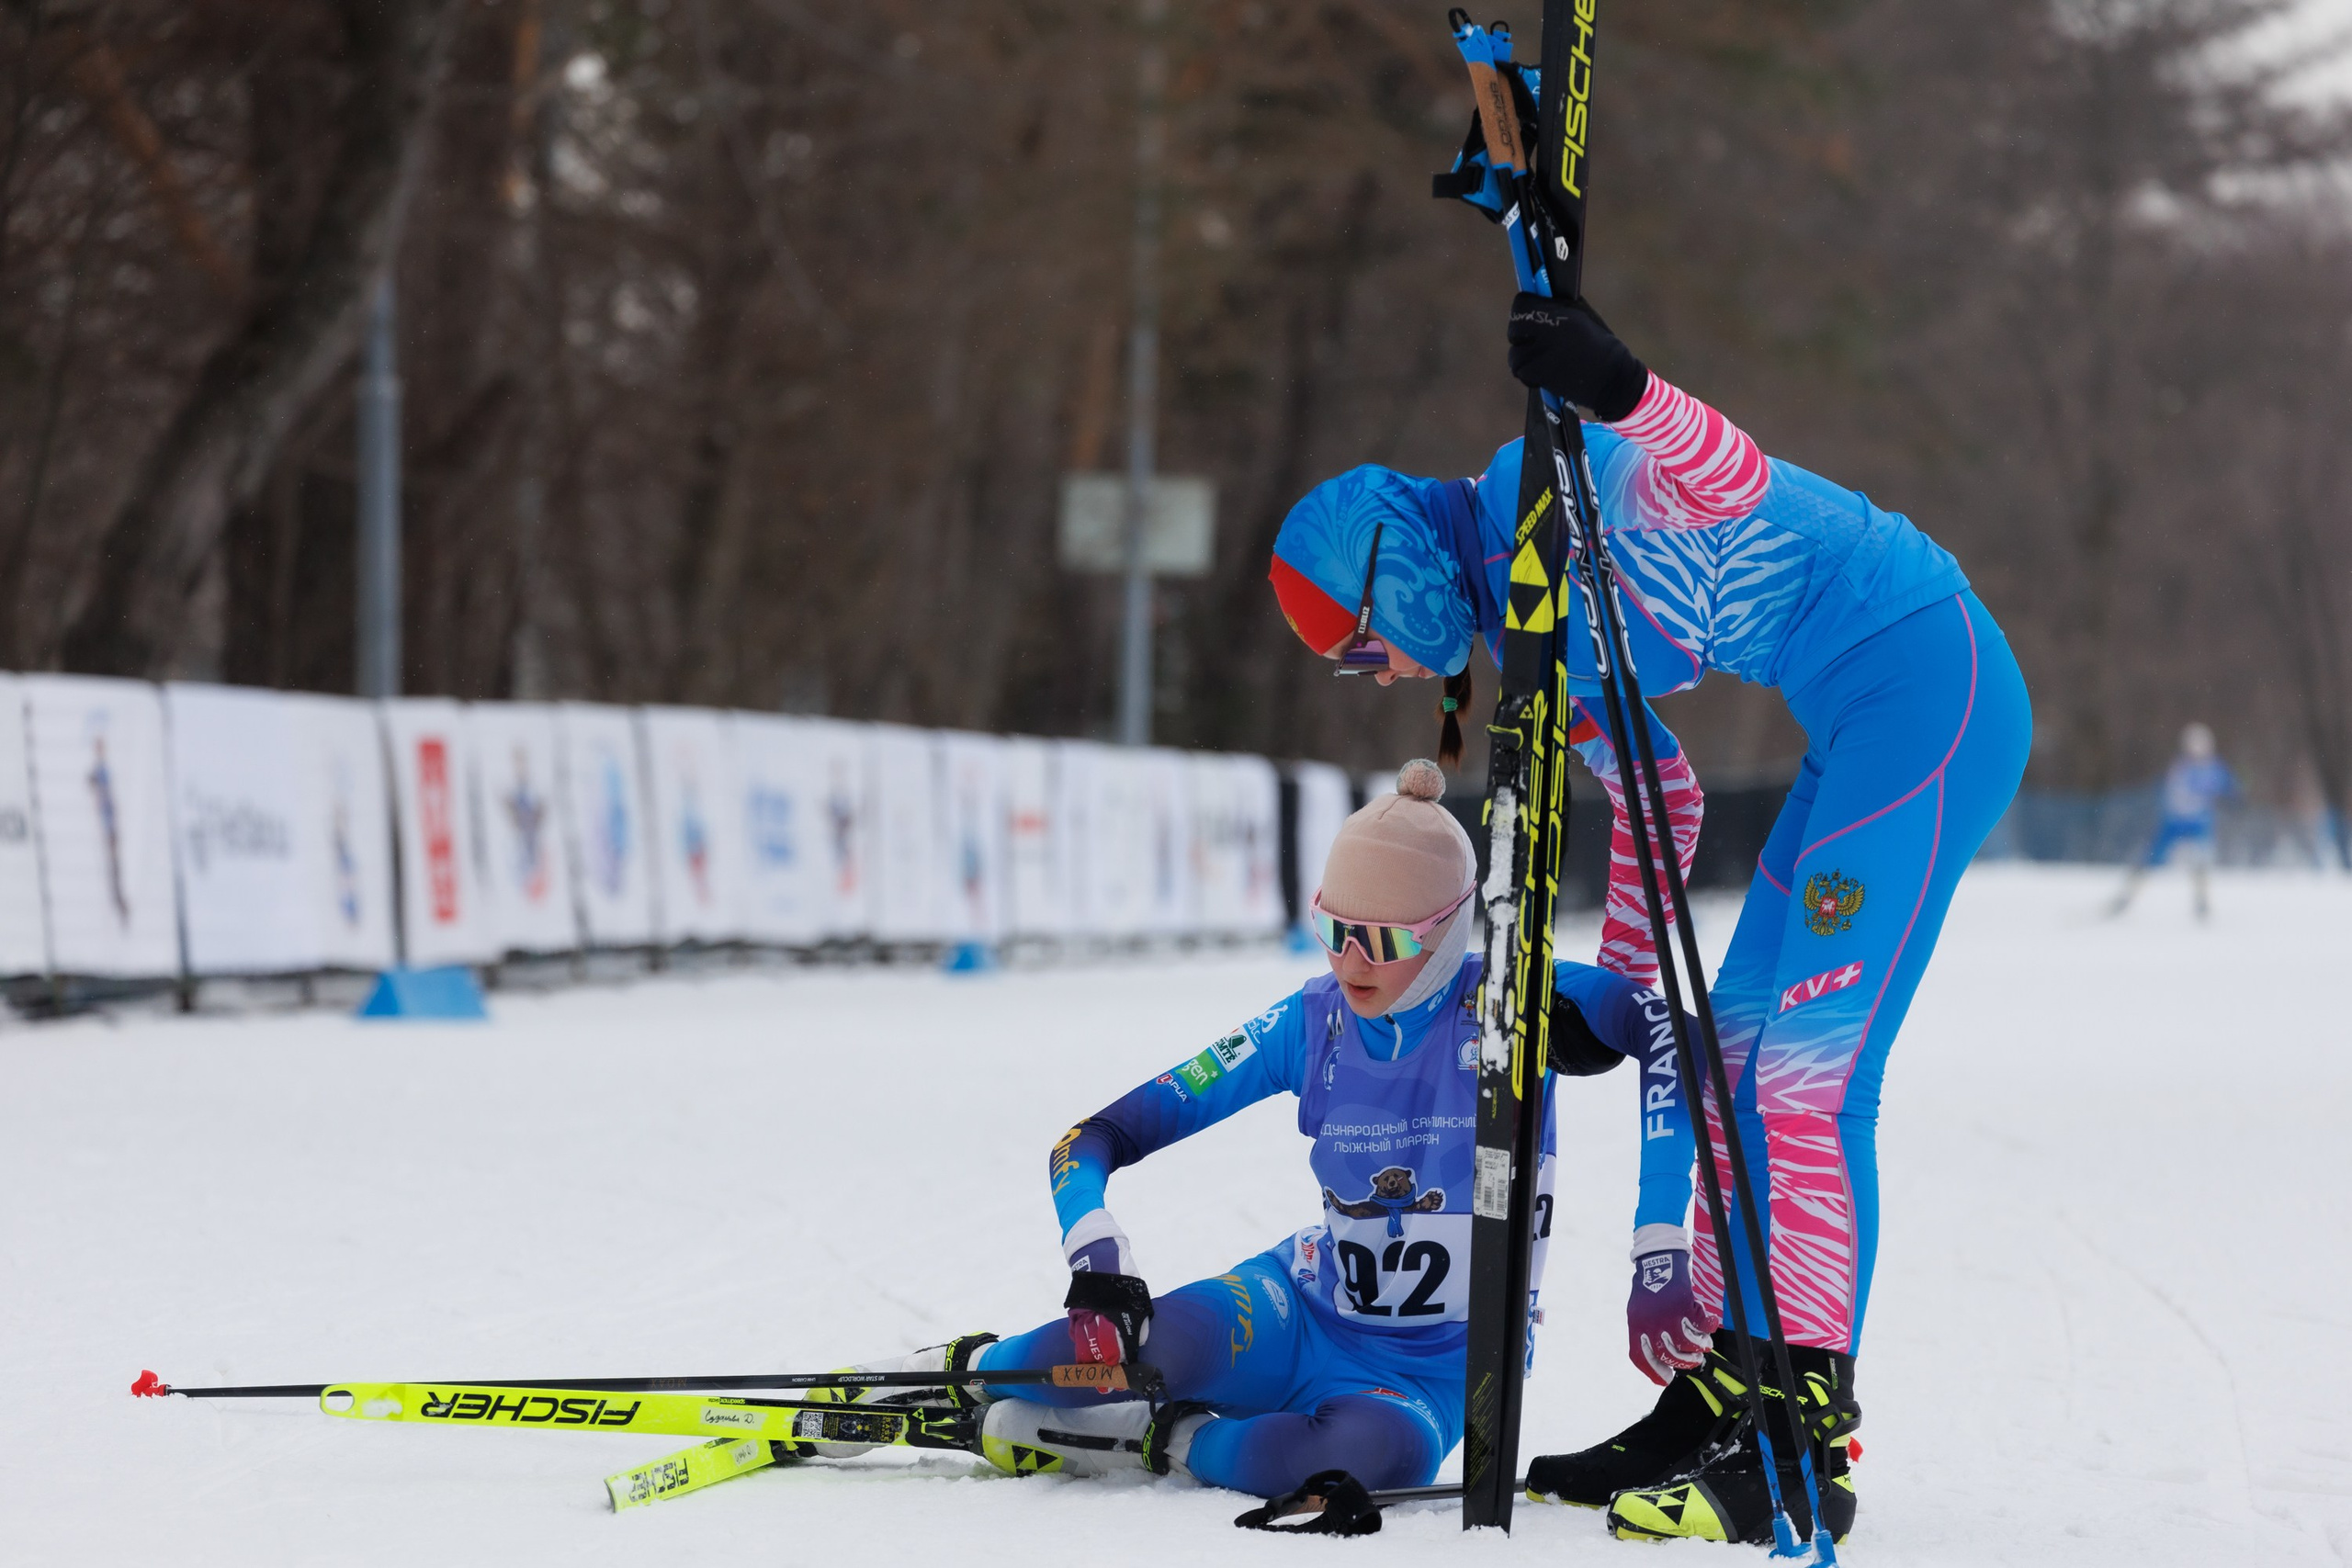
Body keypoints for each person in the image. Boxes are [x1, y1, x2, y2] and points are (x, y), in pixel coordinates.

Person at [1263, 295, 2034, 1543]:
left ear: (1392, 576)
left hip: (1929, 685)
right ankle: (1734, 1375)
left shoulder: (1551, 478)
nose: (1383, 676)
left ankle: (1802, 1431)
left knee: (1803, 1078)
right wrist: (1607, 995)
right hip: (1854, 726)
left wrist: (1621, 388)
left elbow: (1732, 475)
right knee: (1735, 1048)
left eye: (1361, 647)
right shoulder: (1532, 634)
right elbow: (1660, 802)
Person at [809, 761, 1695, 1507]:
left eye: (1381, 939)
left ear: (1447, 931)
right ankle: (953, 1372)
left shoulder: (1510, 1000)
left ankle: (1163, 1434)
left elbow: (1669, 1033)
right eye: (1333, 928)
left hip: (1431, 1373)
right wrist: (1096, 1251)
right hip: (1295, 1307)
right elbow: (1095, 1134)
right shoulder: (1307, 1023)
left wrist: (1659, 1238)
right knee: (1097, 1356)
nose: (1350, 960)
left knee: (1346, 1465)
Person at [2109, 722, 2235, 920]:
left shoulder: (2214, 768)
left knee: (2200, 862)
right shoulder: (2181, 767)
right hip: (2175, 822)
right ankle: (2127, 896)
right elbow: (2179, 792)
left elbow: (2229, 788)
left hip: (2198, 823)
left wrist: (2235, 795)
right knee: (2151, 858)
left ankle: (2202, 902)